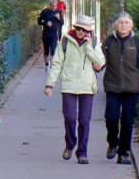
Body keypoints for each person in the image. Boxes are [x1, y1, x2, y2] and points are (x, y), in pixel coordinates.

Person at [44, 15, 105, 164]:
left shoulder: (94, 43)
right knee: (70, 117)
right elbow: (57, 63)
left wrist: (89, 47)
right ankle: (70, 144)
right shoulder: (65, 41)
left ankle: (82, 152)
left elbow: (100, 63)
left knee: (84, 120)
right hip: (69, 85)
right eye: (78, 28)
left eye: (83, 29)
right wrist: (49, 84)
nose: (80, 31)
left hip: (87, 86)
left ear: (88, 31)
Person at [101, 12, 139, 165]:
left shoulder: (138, 43)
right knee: (111, 118)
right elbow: (99, 61)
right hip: (112, 87)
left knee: (127, 121)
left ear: (131, 25)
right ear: (116, 25)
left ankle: (123, 153)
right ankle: (112, 143)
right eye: (121, 22)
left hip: (132, 88)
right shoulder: (108, 42)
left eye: (126, 22)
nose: (123, 25)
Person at [37, 0, 62, 72]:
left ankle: (53, 66)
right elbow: (39, 21)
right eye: (52, 6)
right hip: (46, 33)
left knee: (53, 50)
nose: (53, 8)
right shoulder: (45, 12)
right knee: (46, 50)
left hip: (54, 33)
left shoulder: (58, 12)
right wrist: (45, 23)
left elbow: (62, 23)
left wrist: (58, 18)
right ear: (49, 6)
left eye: (55, 6)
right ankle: (47, 64)